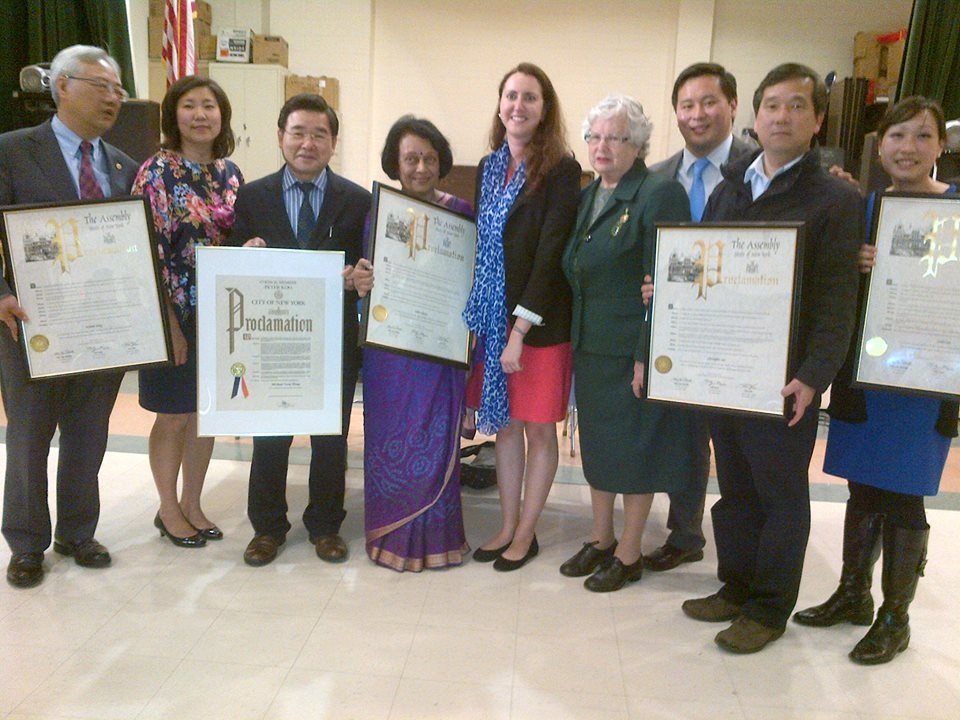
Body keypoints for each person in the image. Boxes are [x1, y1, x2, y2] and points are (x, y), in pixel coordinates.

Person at [676, 63, 862, 652]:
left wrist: (814, 376)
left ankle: (768, 607)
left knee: (780, 494)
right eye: (773, 106)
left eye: (797, 106)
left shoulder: (834, 197)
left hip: (785, 381)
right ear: (755, 116)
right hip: (726, 373)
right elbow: (707, 261)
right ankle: (735, 586)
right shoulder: (733, 185)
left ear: (818, 118)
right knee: (734, 487)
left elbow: (838, 297)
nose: (783, 116)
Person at [793, 96, 958, 665]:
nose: (907, 148)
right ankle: (853, 594)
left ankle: (896, 617)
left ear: (940, 146)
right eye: (896, 136)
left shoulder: (959, 211)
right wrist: (858, 265)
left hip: (926, 382)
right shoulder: (864, 210)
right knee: (862, 486)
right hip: (865, 375)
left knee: (905, 495)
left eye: (921, 136)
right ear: (880, 145)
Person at [0, 45, 138, 588]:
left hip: (102, 327)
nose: (113, 99)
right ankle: (27, 543)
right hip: (31, 324)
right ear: (62, 86)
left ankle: (78, 532)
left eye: (119, 90)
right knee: (30, 436)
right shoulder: (12, 151)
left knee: (89, 433)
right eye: (102, 87)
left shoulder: (124, 165)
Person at [559, 95, 705, 592]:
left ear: (638, 144)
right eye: (595, 137)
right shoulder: (589, 195)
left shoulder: (659, 194)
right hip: (592, 344)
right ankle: (600, 538)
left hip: (632, 349)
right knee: (600, 447)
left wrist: (648, 352)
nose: (603, 147)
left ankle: (629, 549)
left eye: (616, 137)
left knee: (637, 449)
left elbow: (665, 284)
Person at [230, 94, 372, 567]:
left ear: (333, 143)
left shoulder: (357, 201)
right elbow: (233, 269)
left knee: (331, 437)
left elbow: (366, 270)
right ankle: (267, 528)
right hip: (274, 341)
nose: (307, 143)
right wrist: (245, 254)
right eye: (298, 132)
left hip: (331, 343)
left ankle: (326, 525)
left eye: (319, 134)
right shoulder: (252, 197)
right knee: (271, 436)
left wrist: (359, 278)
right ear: (280, 137)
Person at [463, 62, 580, 571]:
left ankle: (526, 533)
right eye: (510, 95)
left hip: (538, 327)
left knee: (536, 431)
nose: (518, 106)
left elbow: (551, 254)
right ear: (500, 104)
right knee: (505, 429)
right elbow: (481, 246)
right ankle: (507, 525)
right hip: (492, 322)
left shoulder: (561, 170)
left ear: (544, 108)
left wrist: (518, 331)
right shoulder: (490, 167)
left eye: (529, 97)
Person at [644, 63, 756, 573]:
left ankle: (751, 545)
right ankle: (686, 532)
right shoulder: (657, 176)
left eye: (709, 102)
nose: (697, 114)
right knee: (684, 435)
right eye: (686, 105)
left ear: (733, 105)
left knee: (739, 445)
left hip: (742, 335)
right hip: (676, 329)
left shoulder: (763, 171)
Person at [132, 76, 243, 548]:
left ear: (223, 115)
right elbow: (144, 251)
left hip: (219, 314)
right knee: (173, 415)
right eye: (190, 106)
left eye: (210, 106)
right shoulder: (156, 172)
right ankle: (167, 507)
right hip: (171, 311)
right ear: (173, 116)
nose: (201, 114)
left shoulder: (230, 173)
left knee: (204, 413)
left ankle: (194, 502)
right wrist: (168, 325)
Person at [363, 115, 473, 571]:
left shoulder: (462, 215)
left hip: (441, 352)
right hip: (391, 353)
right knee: (391, 436)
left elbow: (474, 284)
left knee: (435, 436)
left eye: (429, 158)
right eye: (411, 158)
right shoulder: (379, 213)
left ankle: (436, 538)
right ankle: (391, 532)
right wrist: (360, 282)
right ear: (396, 163)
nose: (421, 167)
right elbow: (370, 279)